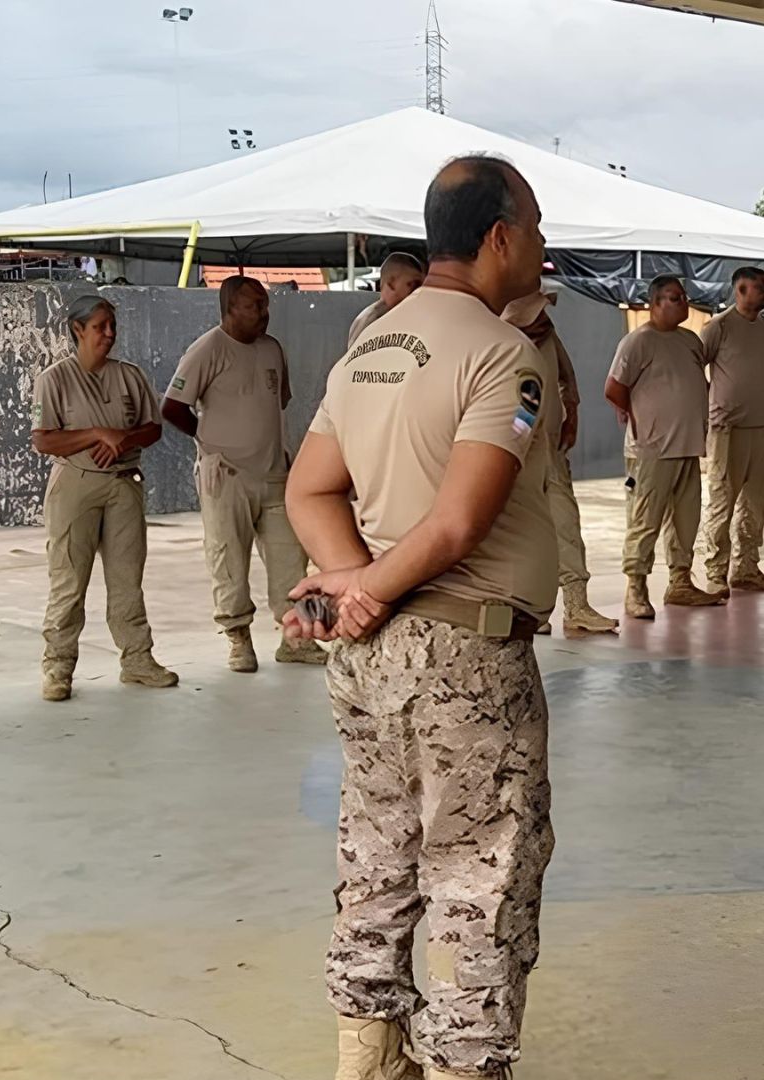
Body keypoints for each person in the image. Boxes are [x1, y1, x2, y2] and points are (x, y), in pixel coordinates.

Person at [282, 154, 556, 1080]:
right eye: (538, 227)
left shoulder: (369, 348)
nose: (545, 246)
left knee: (378, 856)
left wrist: (353, 582)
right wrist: (370, 587)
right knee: (480, 879)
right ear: (501, 237)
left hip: (370, 657)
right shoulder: (501, 353)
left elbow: (309, 488)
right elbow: (458, 522)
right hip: (464, 658)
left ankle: (369, 1060)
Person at [163, 276, 325, 672]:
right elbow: (173, 407)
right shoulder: (207, 349)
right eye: (254, 306)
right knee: (228, 558)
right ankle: (239, 640)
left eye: (265, 306)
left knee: (291, 558)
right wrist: (209, 441)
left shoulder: (272, 350)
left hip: (273, 473)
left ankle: (297, 640)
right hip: (227, 476)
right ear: (230, 308)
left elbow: (278, 401)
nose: (264, 315)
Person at [31, 295, 179, 702]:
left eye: (112, 326)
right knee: (68, 580)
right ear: (78, 330)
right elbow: (43, 439)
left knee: (127, 578)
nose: (109, 334)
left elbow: (152, 428)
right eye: (100, 326)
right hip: (76, 482)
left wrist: (122, 440)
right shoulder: (55, 378)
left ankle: (137, 659)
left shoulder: (129, 376)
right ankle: (57, 667)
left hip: (123, 482)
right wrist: (97, 434)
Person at [605, 275, 728, 618]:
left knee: (686, 520)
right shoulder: (637, 342)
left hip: (688, 447)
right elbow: (614, 388)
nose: (683, 302)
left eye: (684, 296)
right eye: (675, 297)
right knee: (645, 520)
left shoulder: (690, 341)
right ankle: (636, 588)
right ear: (655, 303)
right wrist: (638, 419)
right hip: (652, 450)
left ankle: (680, 583)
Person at [503, 291, 620, 634]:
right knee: (521, 533)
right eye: (536, 313)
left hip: (550, 452)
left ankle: (577, 605)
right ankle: (531, 611)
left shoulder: (548, 336)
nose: (544, 318)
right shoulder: (501, 340)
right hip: (516, 454)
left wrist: (571, 417)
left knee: (565, 524)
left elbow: (567, 379)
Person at [695, 266, 764, 592]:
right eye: (759, 288)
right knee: (722, 501)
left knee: (755, 502)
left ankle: (746, 568)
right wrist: (712, 407)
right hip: (726, 429)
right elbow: (694, 368)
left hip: (759, 428)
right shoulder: (718, 327)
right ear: (740, 290)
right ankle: (716, 572)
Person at [347, 252, 427, 346]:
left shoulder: (368, 318)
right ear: (391, 284)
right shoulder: (378, 322)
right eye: (414, 285)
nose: (418, 292)